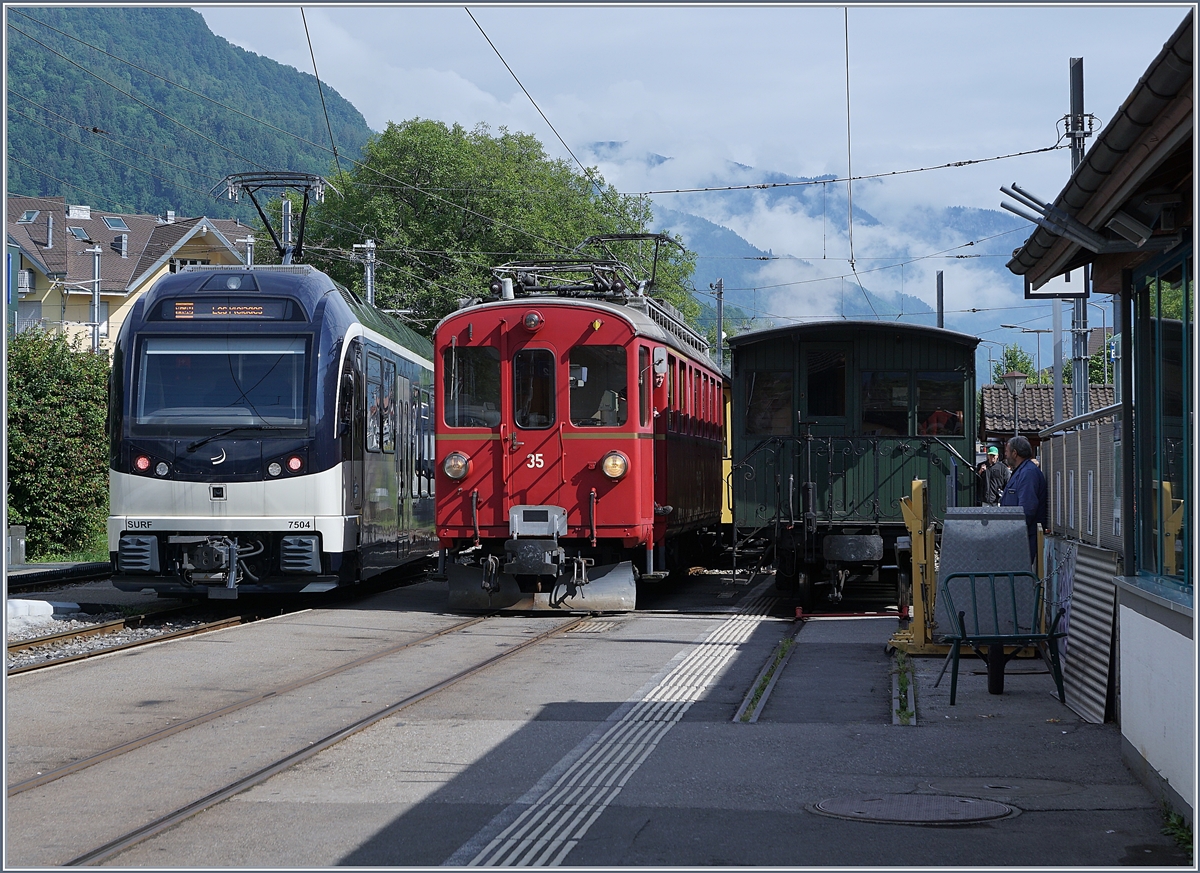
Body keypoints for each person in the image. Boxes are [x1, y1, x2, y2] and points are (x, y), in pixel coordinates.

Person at [1000, 436, 1048, 567]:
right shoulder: (1022, 471)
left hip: (1023, 538)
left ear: (1015, 453)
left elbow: (1027, 508)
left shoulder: (1028, 473)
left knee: (1019, 575)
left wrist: (1013, 531)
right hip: (1018, 537)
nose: (1005, 454)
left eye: (1007, 451)